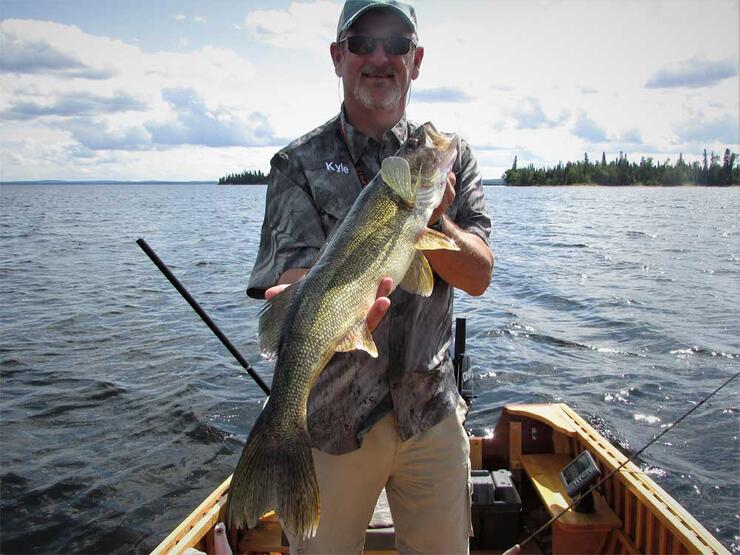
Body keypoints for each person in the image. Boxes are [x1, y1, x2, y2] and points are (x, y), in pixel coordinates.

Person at [247, 1, 493, 552]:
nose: (380, 56)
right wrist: (303, 296)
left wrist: (435, 217)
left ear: (417, 58)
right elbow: (296, 272)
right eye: (362, 42)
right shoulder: (296, 165)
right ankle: (276, 443)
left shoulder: (451, 160)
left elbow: (478, 275)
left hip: (429, 412)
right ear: (338, 57)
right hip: (331, 427)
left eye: (397, 41)